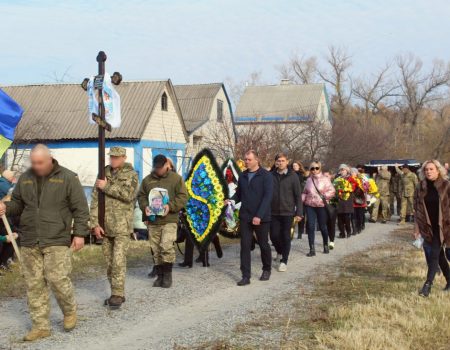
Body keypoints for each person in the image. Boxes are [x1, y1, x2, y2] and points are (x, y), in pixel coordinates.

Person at [0, 144, 89, 341]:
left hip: (56, 237)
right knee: (34, 284)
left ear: (50, 159)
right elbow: (17, 205)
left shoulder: (67, 178)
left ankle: (69, 310)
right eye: (33, 163)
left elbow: (81, 209)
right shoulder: (25, 179)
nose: (36, 166)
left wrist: (80, 234)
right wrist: (5, 207)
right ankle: (41, 326)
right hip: (30, 238)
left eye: (40, 162)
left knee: (57, 278)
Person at [90, 147, 138, 309]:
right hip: (105, 225)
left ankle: (118, 294)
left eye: (117, 157)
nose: (113, 160)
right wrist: (94, 224)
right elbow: (95, 199)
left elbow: (129, 195)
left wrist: (107, 187)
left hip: (122, 226)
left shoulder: (131, 174)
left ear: (124, 158)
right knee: (109, 263)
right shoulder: (103, 173)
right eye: (112, 157)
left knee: (118, 261)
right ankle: (115, 293)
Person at [138, 155, 188, 288]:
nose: (158, 170)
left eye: (160, 168)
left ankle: (167, 276)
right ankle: (159, 276)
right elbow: (141, 196)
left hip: (169, 220)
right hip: (153, 221)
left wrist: (170, 206)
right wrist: (145, 207)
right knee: (156, 249)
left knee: (166, 246)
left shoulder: (176, 179)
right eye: (156, 168)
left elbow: (183, 197)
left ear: (167, 165)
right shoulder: (147, 180)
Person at [230, 150, 273, 286]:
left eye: (249, 159)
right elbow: (239, 194)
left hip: (261, 217)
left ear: (256, 160)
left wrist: (259, 215)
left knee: (263, 244)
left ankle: (266, 269)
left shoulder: (266, 176)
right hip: (245, 216)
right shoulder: (243, 176)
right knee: (245, 245)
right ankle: (245, 275)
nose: (246, 162)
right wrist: (231, 201)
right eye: (245, 159)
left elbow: (267, 197)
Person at [414, 160, 450, 297]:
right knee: (439, 255)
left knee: (435, 254)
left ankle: (427, 285)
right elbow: (416, 209)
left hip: (445, 226)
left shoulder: (446, 186)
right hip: (429, 227)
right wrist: (416, 227)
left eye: (431, 169)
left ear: (438, 170)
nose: (428, 171)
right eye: (426, 170)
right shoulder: (420, 187)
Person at [270, 153, 302, 272]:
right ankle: (279, 251)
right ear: (275, 162)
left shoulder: (293, 176)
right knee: (273, 235)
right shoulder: (271, 175)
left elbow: (298, 196)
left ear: (287, 162)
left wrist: (299, 212)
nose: (280, 163)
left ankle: (284, 260)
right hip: (273, 212)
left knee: (286, 236)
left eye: (283, 161)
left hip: (288, 211)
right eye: (278, 161)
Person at [302, 161, 335, 257]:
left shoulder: (325, 179)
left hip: (321, 206)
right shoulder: (308, 180)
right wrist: (301, 200)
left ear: (320, 168)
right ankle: (312, 249)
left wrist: (323, 196)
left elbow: (332, 191)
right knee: (310, 227)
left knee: (323, 226)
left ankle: (325, 244)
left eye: (316, 168)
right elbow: (305, 192)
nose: (314, 170)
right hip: (310, 205)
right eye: (312, 168)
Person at [334, 164, 355, 239]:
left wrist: (345, 189)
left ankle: (348, 231)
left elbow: (353, 188)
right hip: (339, 200)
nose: (341, 171)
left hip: (347, 200)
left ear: (347, 170)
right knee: (339, 218)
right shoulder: (337, 179)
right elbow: (334, 188)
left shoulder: (351, 178)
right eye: (340, 170)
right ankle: (342, 233)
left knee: (346, 217)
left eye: (343, 169)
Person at [292, 161, 307, 239]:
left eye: (296, 165)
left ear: (299, 166)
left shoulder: (302, 175)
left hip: (301, 196)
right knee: (292, 214)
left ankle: (300, 231)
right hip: (292, 196)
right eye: (293, 165)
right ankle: (292, 230)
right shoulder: (290, 174)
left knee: (300, 214)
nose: (294, 167)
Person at [350, 168, 367, 234]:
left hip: (359, 200)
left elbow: (366, 188)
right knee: (353, 215)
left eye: (354, 172)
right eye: (351, 172)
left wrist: (360, 187)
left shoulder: (361, 179)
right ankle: (354, 229)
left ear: (356, 173)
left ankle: (359, 227)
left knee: (359, 215)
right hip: (352, 200)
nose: (352, 173)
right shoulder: (349, 180)